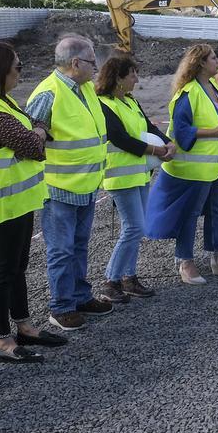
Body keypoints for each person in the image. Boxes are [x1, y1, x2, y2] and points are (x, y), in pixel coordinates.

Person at [0, 41, 64, 363]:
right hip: (2, 201)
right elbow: (32, 145)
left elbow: (31, 133)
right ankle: (2, 340)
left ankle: (25, 327)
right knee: (4, 270)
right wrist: (39, 133)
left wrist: (36, 131)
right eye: (17, 67)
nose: (21, 72)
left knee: (17, 267)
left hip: (17, 198)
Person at [25, 36, 114, 331]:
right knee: (61, 250)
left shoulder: (84, 89)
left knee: (78, 245)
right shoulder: (48, 93)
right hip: (59, 187)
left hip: (85, 184)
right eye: (92, 62)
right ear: (75, 63)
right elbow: (30, 141)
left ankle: (79, 296)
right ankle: (61, 307)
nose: (96, 67)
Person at [145, 43, 218, 285]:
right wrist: (214, 132)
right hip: (196, 167)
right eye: (213, 58)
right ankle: (185, 262)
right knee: (190, 213)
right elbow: (181, 130)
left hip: (217, 162)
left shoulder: (213, 88)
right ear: (200, 63)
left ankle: (217, 259)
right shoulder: (188, 93)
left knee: (215, 210)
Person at [94, 56, 173, 303]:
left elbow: (149, 127)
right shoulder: (104, 105)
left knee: (136, 228)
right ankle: (111, 280)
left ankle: (128, 277)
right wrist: (154, 150)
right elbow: (119, 138)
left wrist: (167, 142)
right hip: (120, 177)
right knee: (133, 227)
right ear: (118, 78)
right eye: (132, 74)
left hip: (138, 173)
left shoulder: (130, 101)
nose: (136, 79)